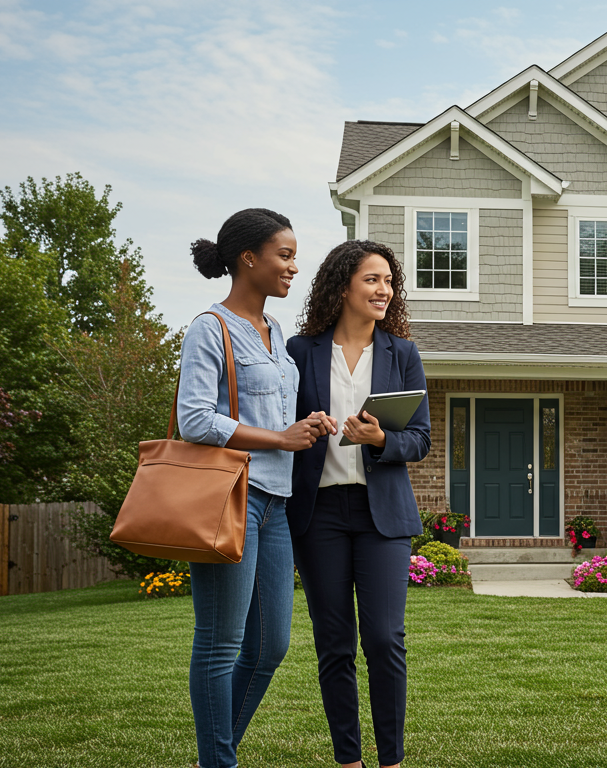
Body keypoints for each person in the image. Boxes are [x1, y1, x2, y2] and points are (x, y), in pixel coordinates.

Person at [179, 208, 334, 768]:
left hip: (276, 504)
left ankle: (215, 755)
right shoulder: (210, 327)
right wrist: (279, 437)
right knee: (220, 644)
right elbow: (195, 420)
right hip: (230, 499)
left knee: (270, 647)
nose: (294, 267)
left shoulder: (276, 332)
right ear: (248, 258)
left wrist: (304, 425)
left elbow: (274, 418)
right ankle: (220, 761)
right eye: (284, 255)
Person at [287, 240, 431, 768]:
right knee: (335, 644)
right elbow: (281, 426)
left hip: (383, 516)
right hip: (318, 514)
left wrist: (380, 439)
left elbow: (420, 438)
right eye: (372, 279)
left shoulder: (402, 353)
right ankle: (349, 761)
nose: (384, 290)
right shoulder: (300, 351)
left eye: (389, 282)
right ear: (342, 285)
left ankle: (391, 762)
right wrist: (303, 428)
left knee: (385, 639)